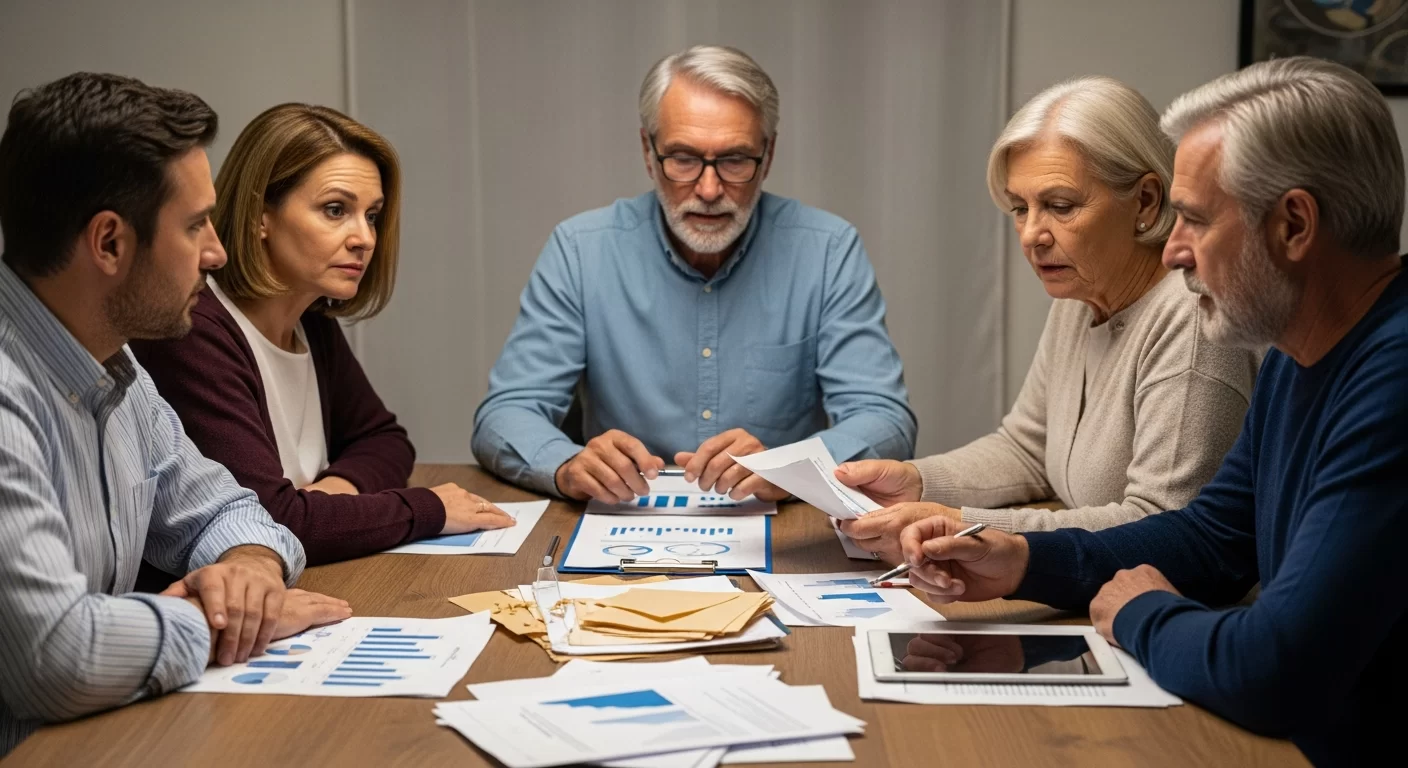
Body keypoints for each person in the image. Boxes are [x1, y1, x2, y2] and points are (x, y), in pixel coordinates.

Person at [898, 57, 1407, 766]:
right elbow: (1213, 538)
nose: (1171, 250)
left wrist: (1141, 614)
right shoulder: (1302, 346)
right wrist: (1021, 562)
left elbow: (1275, 670)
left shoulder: (1392, 378)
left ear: (1294, 224)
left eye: (1194, 219)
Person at [0, 73, 352, 756]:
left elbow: (228, 511)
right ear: (109, 243)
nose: (217, 253)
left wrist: (249, 575)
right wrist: (208, 619)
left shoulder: (118, 371)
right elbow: (55, 658)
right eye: (195, 226)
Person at [834, 77, 1260, 560]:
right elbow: (1026, 449)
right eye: (1020, 208)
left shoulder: (1191, 319)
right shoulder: (1078, 297)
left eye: (1060, 206)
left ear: (1145, 201)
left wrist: (961, 525)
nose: (1033, 234)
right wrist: (916, 480)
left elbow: (1158, 523)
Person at [472, 45, 916, 505]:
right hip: (625, 523)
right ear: (648, 151)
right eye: (683, 158)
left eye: (735, 160)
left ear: (769, 155)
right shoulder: (581, 249)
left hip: (783, 531)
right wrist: (565, 465)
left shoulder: (827, 249)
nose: (708, 189)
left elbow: (884, 419)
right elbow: (506, 413)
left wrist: (792, 468)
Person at [131, 104, 514, 565]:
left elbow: (386, 440)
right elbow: (270, 523)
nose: (365, 238)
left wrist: (336, 493)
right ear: (259, 216)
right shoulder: (193, 330)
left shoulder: (311, 319)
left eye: (371, 215)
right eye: (335, 210)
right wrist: (428, 508)